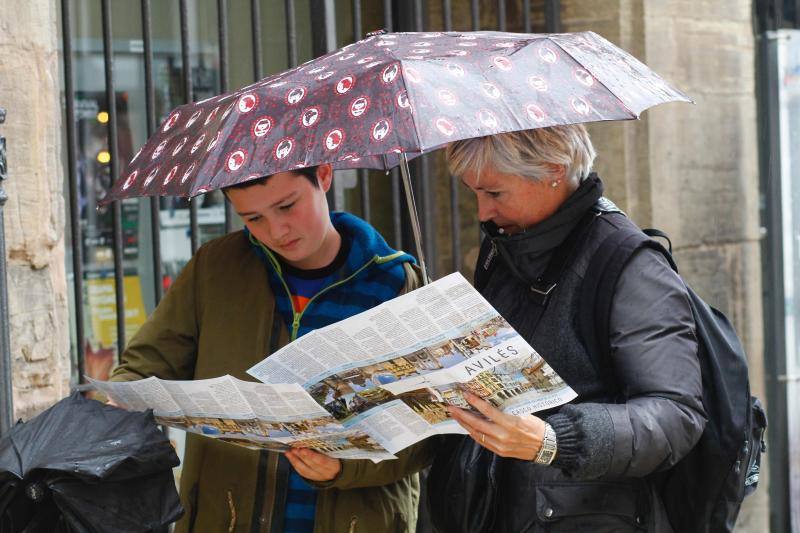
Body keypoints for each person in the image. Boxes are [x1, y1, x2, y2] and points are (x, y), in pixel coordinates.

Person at [108, 163, 433, 533]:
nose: (276, 231)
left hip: (357, 519)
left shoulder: (393, 281)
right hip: (225, 516)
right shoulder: (215, 268)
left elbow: (428, 431)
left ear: (323, 176)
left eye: (287, 206)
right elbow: (147, 366)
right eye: (253, 218)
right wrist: (119, 405)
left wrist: (345, 466)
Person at [428, 125, 706, 532]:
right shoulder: (502, 248)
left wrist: (556, 440)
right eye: (474, 193)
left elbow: (676, 415)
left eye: (494, 193)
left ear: (552, 168)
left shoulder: (631, 266)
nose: (482, 212)